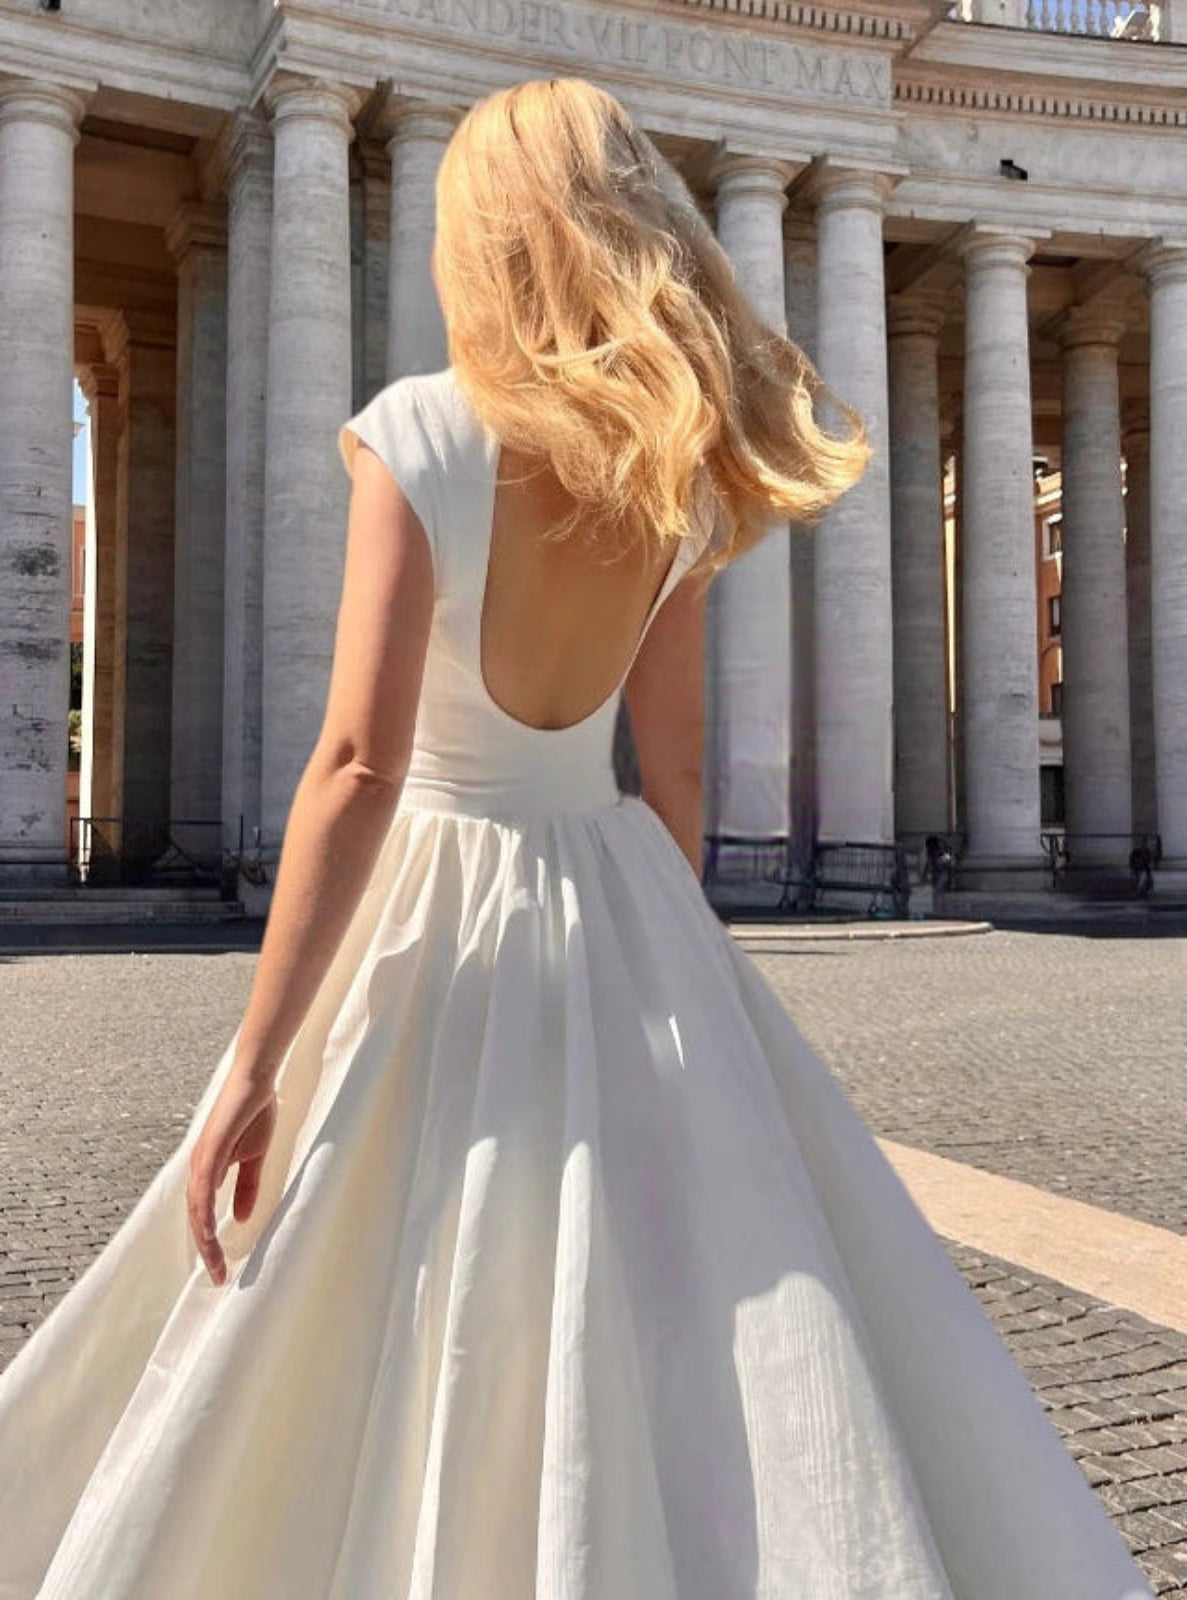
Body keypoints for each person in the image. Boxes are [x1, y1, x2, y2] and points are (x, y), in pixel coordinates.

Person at [0, 76, 1153, 1600]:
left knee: (377, 1280)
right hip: (611, 882)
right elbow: (668, 768)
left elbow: (356, 761)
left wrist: (256, 1060)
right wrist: (661, 957)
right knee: (665, 1293)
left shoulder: (417, 432)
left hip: (435, 893)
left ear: (481, 238)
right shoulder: (670, 471)